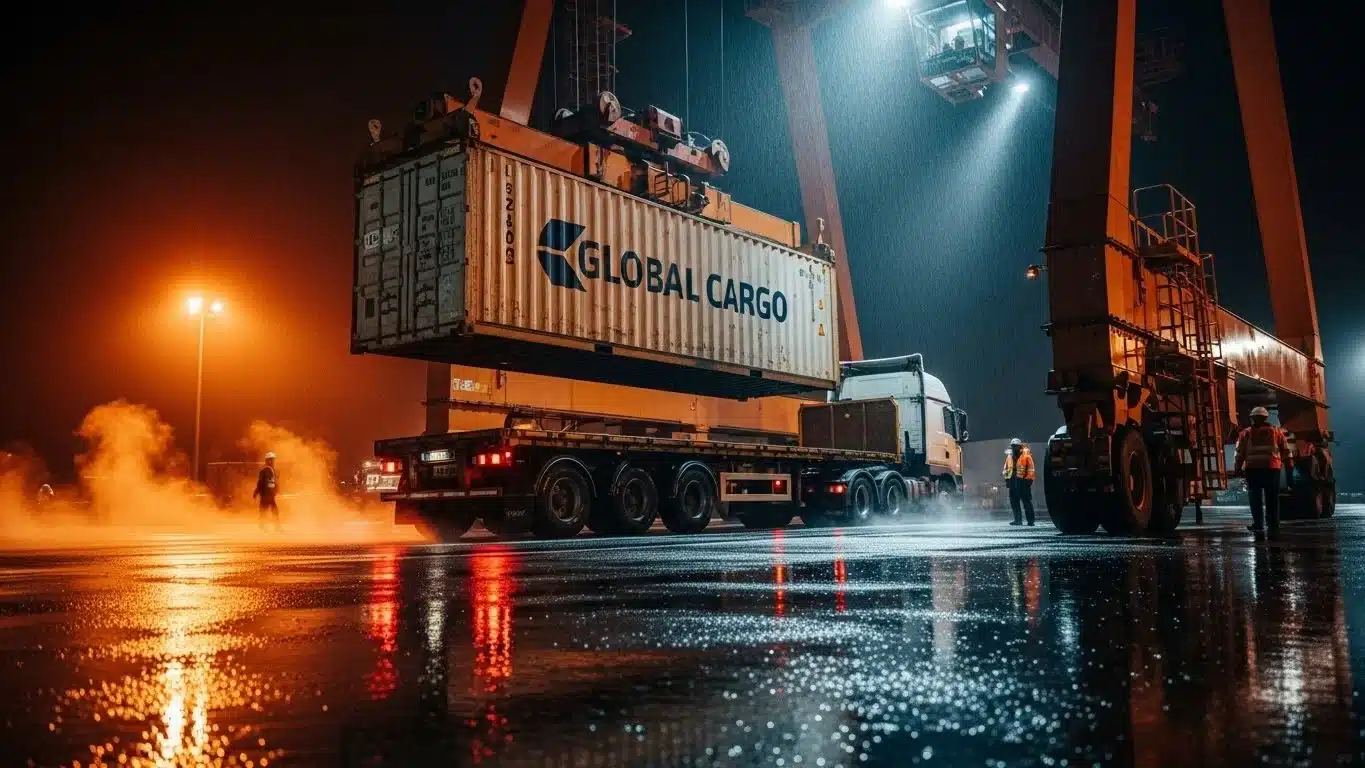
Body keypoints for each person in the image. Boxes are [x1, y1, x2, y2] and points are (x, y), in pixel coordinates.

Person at [1234, 406, 1292, 537]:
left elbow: (1240, 453)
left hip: (1253, 469)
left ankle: (1258, 524)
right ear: (1266, 418)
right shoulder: (1276, 432)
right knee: (1272, 498)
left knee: (1255, 498)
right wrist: (1289, 465)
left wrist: (1237, 468)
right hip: (1272, 468)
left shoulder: (1246, 433)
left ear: (1252, 418)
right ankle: (1273, 523)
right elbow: (1285, 450)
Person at [1002, 438, 1036, 526]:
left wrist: (1029, 481)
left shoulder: (1026, 456)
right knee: (1014, 502)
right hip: (1013, 482)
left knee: (1026, 502)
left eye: (1016, 446)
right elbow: (1006, 469)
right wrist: (1007, 480)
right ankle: (1018, 520)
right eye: (1013, 446)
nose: (1014, 448)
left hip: (1023, 482)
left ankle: (1030, 521)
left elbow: (1031, 469)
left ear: (1020, 446)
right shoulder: (1009, 457)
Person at [253, 451, 280, 530]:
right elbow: (260, 482)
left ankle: (273, 526)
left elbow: (274, 482)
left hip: (269, 494)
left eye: (273, 459)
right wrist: (256, 491)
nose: (273, 461)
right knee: (267, 510)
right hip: (266, 494)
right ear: (267, 460)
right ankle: (265, 526)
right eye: (271, 459)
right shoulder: (265, 469)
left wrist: (275, 490)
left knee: (270, 510)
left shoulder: (271, 469)